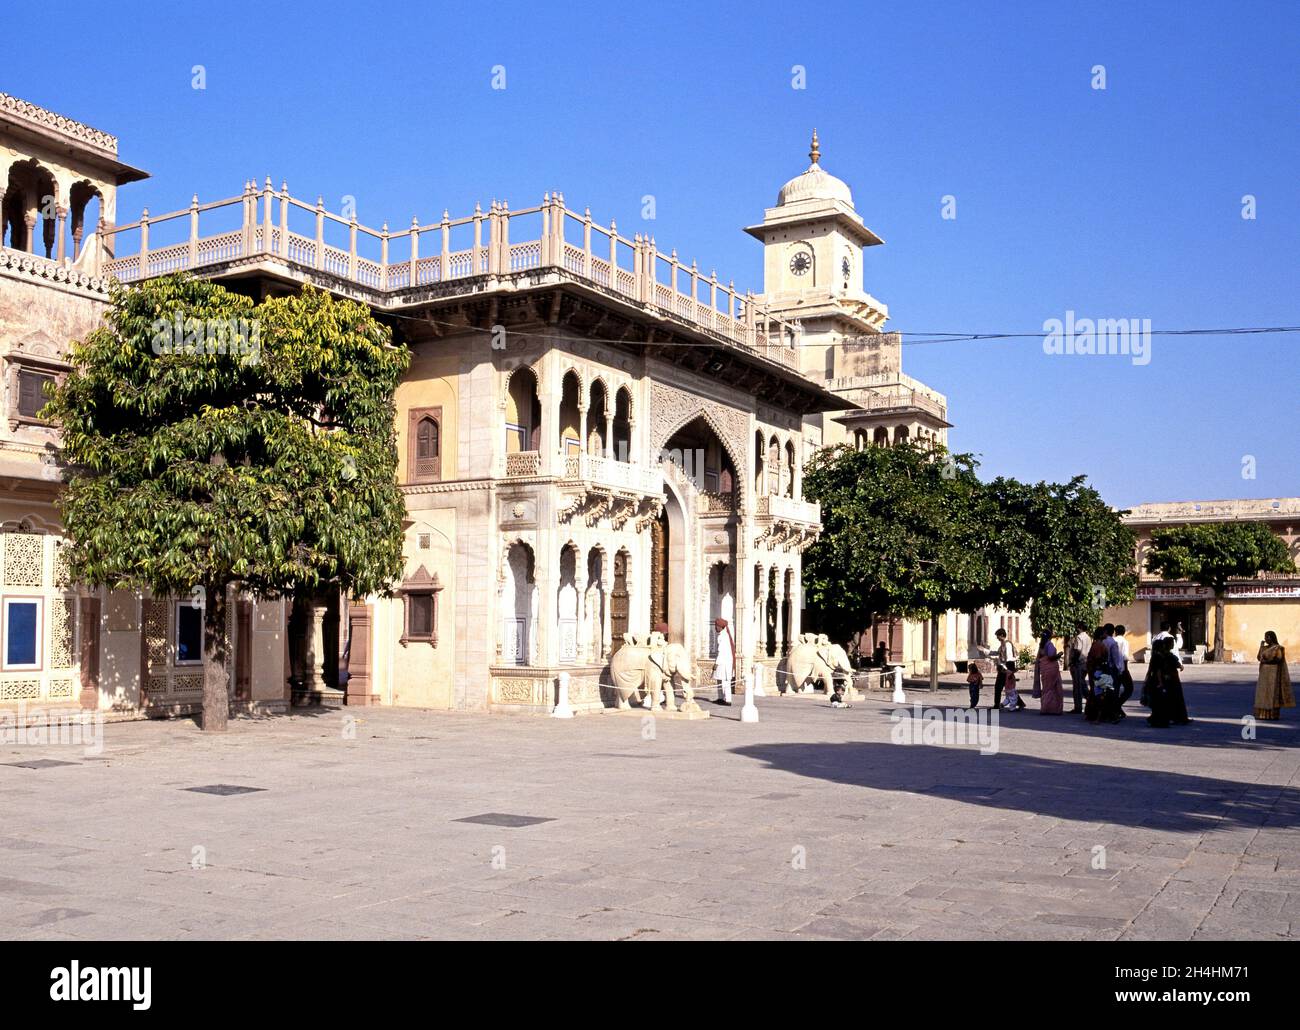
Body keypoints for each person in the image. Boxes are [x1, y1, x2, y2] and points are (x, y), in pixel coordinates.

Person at [1253, 631, 1294, 720]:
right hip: (1264, 674)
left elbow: (1278, 659)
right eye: (1265, 637)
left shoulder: (1278, 648)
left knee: (1272, 693)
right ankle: (1262, 714)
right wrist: (1260, 646)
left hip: (1273, 673)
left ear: (1271, 637)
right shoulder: (1264, 648)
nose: (1265, 639)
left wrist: (1266, 661)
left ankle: (1272, 714)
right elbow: (1259, 657)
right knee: (1263, 693)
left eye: (1267, 637)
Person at [1084, 626, 1108, 722]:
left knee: (1095, 693)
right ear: (1101, 634)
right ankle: (1098, 716)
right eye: (1105, 633)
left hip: (1094, 671)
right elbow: (1098, 659)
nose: (1106, 635)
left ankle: (1090, 714)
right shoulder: (1099, 645)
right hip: (1098, 672)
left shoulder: (1096, 644)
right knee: (1099, 694)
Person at [1037, 632, 1064, 714]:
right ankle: (1052, 709)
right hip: (1051, 668)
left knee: (1046, 688)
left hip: (1045, 669)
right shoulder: (1049, 644)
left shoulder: (1042, 645)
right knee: (1053, 688)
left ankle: (1045, 708)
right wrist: (1059, 654)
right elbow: (1051, 656)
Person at [1067, 622, 1091, 714]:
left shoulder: (1079, 637)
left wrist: (1073, 661)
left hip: (1078, 663)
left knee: (1077, 687)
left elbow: (1078, 650)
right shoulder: (1088, 638)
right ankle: (1090, 699)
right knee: (1082, 684)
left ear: (1080, 627)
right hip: (1085, 663)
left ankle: (1078, 707)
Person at [992, 628, 1015, 709]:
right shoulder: (1002, 645)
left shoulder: (1007, 644)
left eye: (998, 636)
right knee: (1008, 687)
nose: (997, 638)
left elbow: (1008, 658)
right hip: (1003, 668)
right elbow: (998, 654)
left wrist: (1006, 670)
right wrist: (985, 651)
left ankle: (996, 705)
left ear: (1002, 635)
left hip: (1006, 668)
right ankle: (997, 704)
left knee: (1002, 686)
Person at [713, 617, 734, 706]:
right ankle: (721, 698)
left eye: (716, 626)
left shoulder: (723, 636)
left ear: (720, 627)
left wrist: (716, 663)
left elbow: (721, 651)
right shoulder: (722, 635)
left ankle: (728, 699)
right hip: (722, 662)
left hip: (724, 663)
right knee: (719, 680)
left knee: (725, 681)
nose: (715, 628)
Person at [1114, 624, 1134, 706]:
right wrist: (1126, 669)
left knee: (1116, 688)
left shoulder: (1113, 640)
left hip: (1113, 668)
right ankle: (1118, 704)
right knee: (1129, 688)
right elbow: (1125, 657)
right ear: (1124, 632)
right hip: (1122, 668)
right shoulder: (1125, 642)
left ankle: (1115, 705)